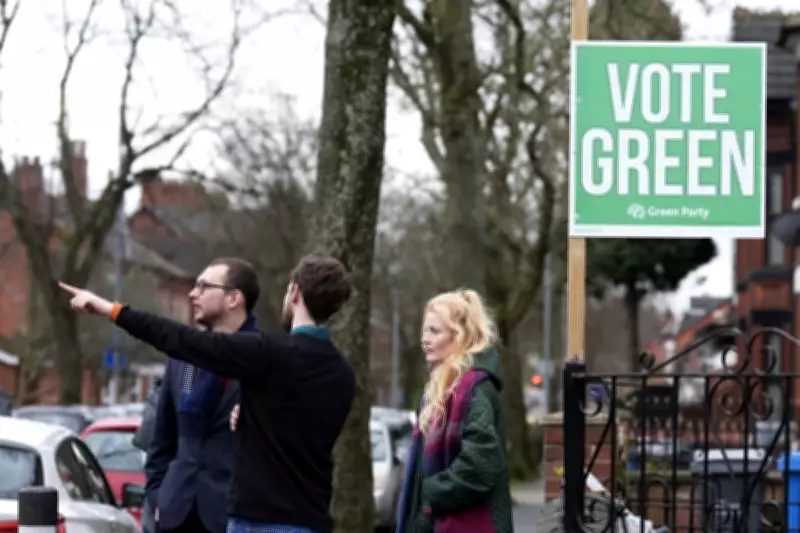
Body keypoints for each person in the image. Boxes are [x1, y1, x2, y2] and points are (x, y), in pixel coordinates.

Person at [59, 253, 356, 533]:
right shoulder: (343, 374)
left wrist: (111, 310)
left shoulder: (268, 353)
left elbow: (181, 339)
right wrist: (253, 417)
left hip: (259, 519)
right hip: (310, 519)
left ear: (295, 293)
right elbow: (301, 432)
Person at [147, 257, 259, 533]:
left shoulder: (263, 360)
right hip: (176, 514)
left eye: (203, 286)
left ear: (234, 299)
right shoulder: (183, 359)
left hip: (234, 517)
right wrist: (159, 497)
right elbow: (162, 439)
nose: (192, 294)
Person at [395, 289, 513, 533]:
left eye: (435, 331)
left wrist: (430, 496)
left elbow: (482, 463)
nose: (425, 339)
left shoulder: (473, 388)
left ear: (460, 336)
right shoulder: (441, 388)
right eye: (425, 330)